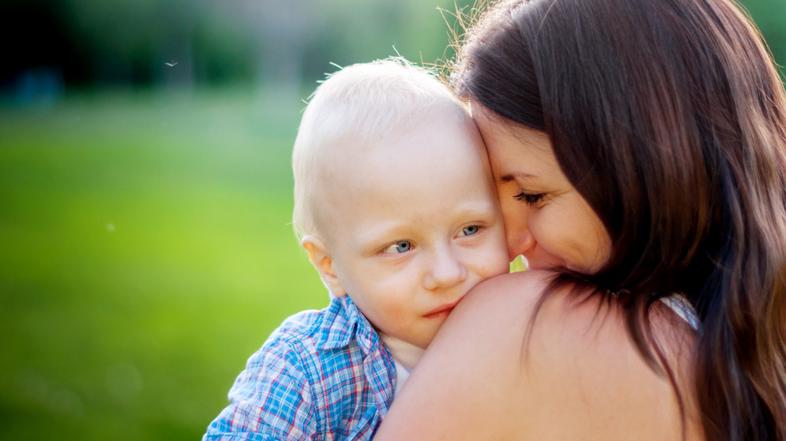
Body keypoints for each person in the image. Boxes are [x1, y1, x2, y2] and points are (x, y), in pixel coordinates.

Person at [374, 0, 786, 440]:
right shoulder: (753, 358)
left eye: (533, 195)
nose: (509, 244)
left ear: (653, 163)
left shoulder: (529, 328)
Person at [202, 58, 510, 440]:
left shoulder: (527, 334)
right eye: (401, 246)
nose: (448, 273)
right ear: (329, 266)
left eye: (469, 229)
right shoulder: (306, 369)